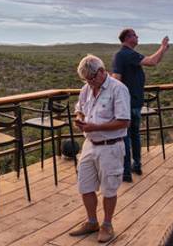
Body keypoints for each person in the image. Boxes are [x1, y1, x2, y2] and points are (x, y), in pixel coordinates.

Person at [69, 55, 130, 243]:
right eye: (86, 80)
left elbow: (124, 121)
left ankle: (107, 224)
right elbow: (79, 108)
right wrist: (79, 117)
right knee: (85, 185)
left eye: (92, 78)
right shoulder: (86, 88)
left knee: (109, 189)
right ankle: (92, 221)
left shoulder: (118, 89)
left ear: (102, 71)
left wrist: (95, 127)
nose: (90, 83)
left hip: (110, 147)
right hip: (89, 144)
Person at [111, 29, 169, 183]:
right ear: (128, 38)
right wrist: (162, 48)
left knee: (131, 135)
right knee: (128, 136)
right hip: (128, 103)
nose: (137, 37)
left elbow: (116, 78)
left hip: (132, 103)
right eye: (135, 35)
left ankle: (133, 166)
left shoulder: (124, 55)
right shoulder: (126, 54)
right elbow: (151, 61)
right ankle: (128, 169)